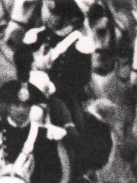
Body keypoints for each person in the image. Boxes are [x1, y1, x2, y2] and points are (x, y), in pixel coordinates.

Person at [14, 0, 94, 130]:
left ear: (70, 18)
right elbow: (20, 61)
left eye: (55, 13)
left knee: (73, 134)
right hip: (27, 91)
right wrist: (24, 80)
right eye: (50, 11)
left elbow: (81, 78)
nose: (48, 16)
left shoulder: (79, 43)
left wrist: (53, 87)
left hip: (60, 97)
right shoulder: (38, 35)